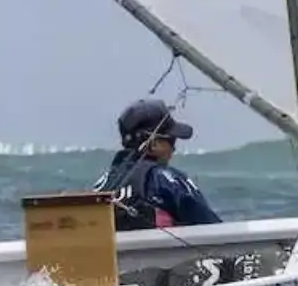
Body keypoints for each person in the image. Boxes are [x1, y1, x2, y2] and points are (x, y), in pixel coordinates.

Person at [92, 98, 220, 230]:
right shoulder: (167, 180)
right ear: (153, 144)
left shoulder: (102, 184)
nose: (174, 149)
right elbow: (212, 228)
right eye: (171, 141)